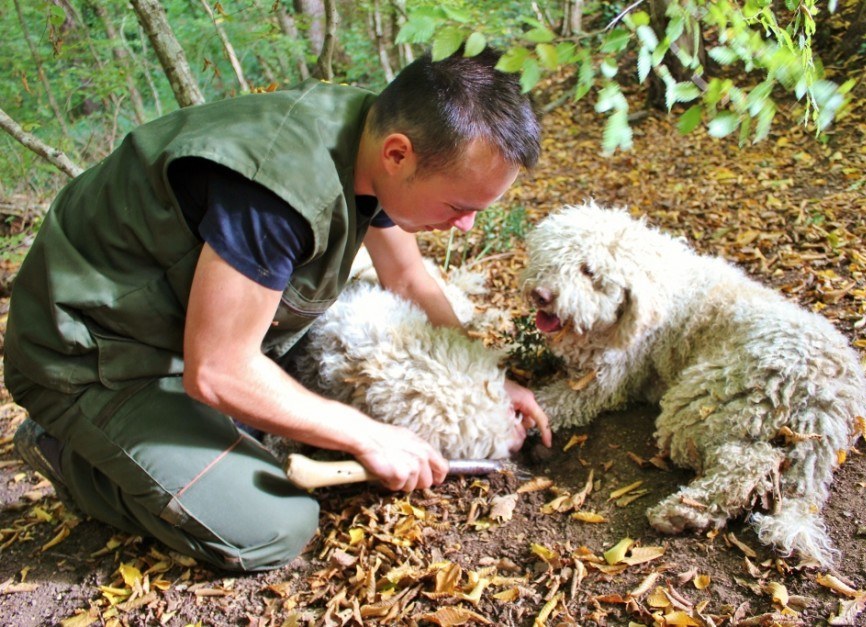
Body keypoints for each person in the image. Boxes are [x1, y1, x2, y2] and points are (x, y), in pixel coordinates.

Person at [5, 47, 550, 572]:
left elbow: (408, 278)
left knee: (304, 410)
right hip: (92, 355)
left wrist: (485, 381)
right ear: (398, 154)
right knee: (274, 525)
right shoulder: (279, 190)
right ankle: (70, 456)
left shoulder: (373, 136)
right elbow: (218, 370)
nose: (466, 226)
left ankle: (203, 431)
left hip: (181, 329)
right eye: (458, 206)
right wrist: (368, 435)